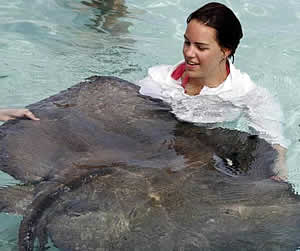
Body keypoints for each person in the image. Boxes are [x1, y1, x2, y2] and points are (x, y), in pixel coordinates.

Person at [136, 2, 288, 181]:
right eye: (187, 42)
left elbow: (274, 145)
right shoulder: (159, 80)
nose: (189, 53)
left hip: (212, 159)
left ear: (225, 51)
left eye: (200, 47)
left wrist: (277, 174)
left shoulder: (248, 95)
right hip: (163, 148)